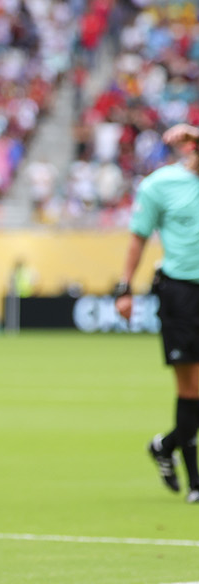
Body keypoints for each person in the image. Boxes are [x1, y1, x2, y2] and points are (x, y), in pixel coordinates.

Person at [116, 123, 199, 504]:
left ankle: (165, 446)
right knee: (190, 388)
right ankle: (195, 481)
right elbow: (138, 237)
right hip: (180, 292)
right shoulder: (160, 185)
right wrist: (125, 289)